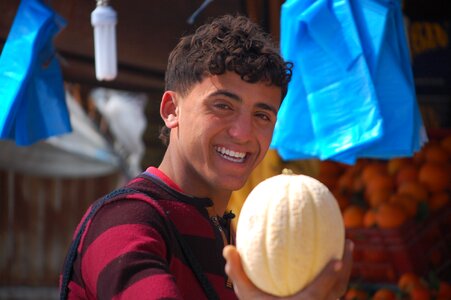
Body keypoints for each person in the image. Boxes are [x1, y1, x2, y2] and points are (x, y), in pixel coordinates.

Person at [60, 14, 353, 299]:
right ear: (171, 110)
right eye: (223, 105)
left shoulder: (242, 240)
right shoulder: (125, 222)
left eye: (262, 115)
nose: (243, 133)